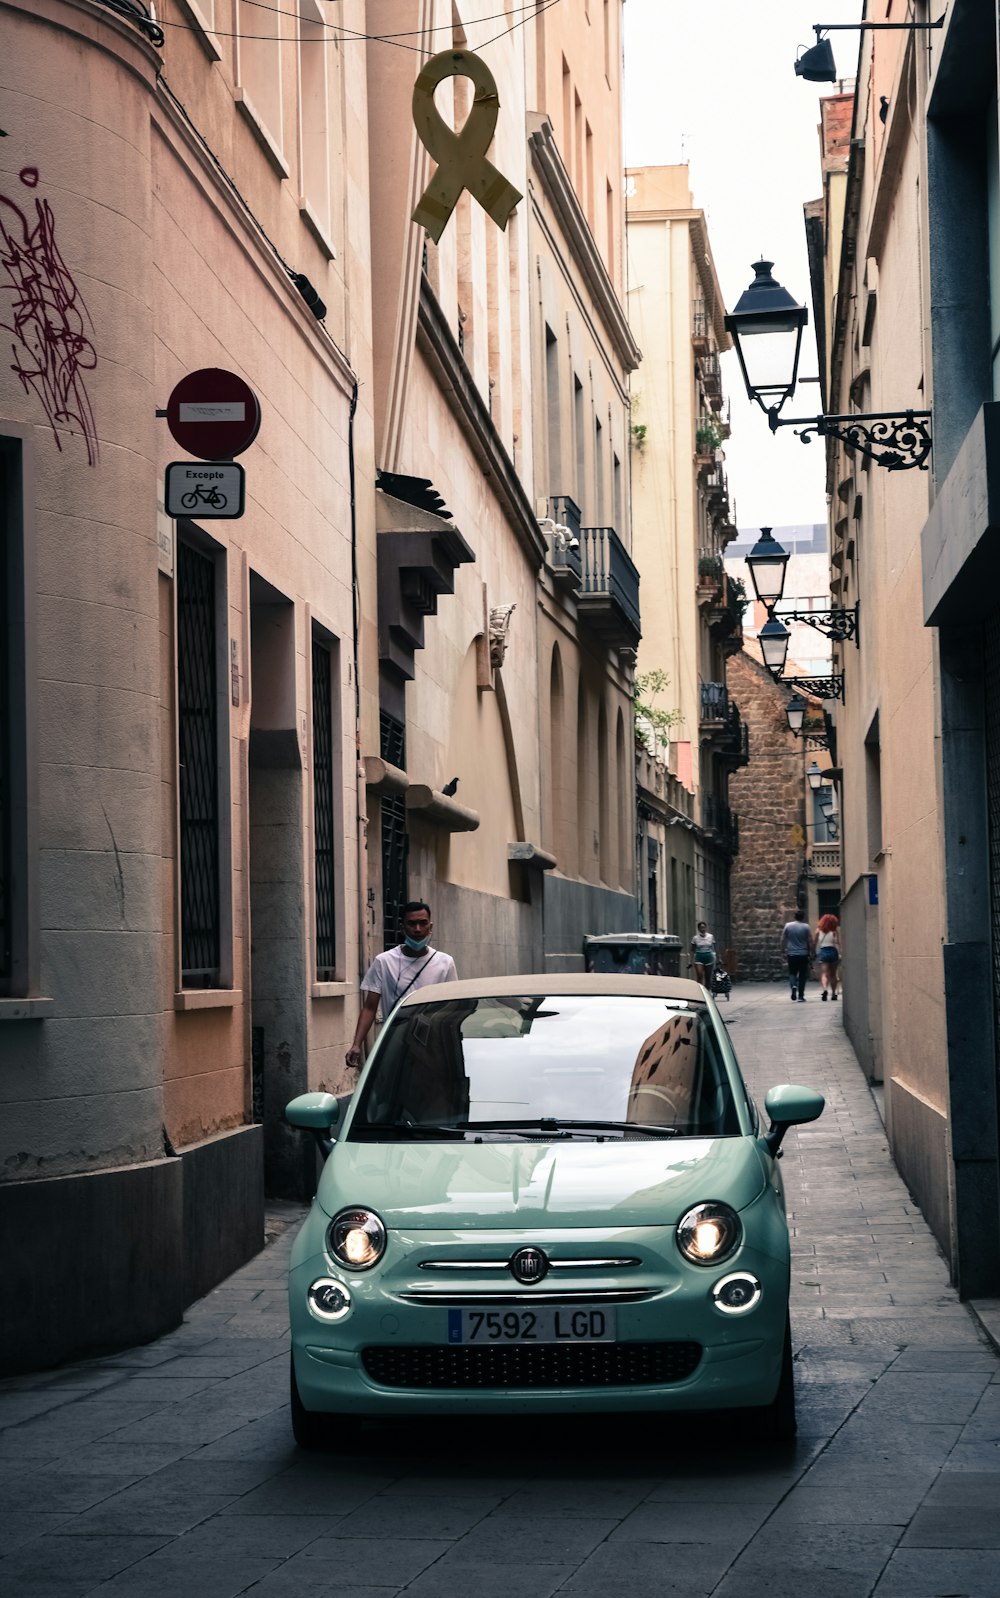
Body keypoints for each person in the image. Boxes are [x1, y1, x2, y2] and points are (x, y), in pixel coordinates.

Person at [345, 901, 457, 1070]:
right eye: (412, 924)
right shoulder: (384, 961)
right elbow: (370, 1007)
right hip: (395, 1043)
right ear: (402, 927)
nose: (418, 929)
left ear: (430, 926)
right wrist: (356, 1044)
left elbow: (452, 1007)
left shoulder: (445, 962)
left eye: (423, 923)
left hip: (433, 1045)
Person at [780, 906, 814, 1001]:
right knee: (802, 975)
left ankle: (794, 986)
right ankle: (801, 996)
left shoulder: (788, 926)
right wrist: (812, 952)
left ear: (795, 917)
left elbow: (783, 939)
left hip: (791, 954)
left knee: (792, 973)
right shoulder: (806, 927)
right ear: (803, 917)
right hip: (803, 954)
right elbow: (810, 941)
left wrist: (782, 950)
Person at [814, 913, 842, 1001]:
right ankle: (833, 994)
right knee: (833, 974)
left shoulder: (818, 930)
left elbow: (814, 943)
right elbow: (837, 943)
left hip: (823, 951)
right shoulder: (834, 931)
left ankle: (825, 990)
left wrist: (813, 952)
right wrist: (840, 953)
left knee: (824, 974)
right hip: (833, 951)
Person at [689, 921, 717, 992]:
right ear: (698, 929)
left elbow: (714, 948)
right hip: (699, 957)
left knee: (708, 976)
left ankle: (707, 992)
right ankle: (700, 991)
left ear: (706, 928)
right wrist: (690, 961)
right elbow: (692, 950)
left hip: (709, 957)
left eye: (704, 927)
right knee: (700, 974)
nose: (703, 929)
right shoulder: (695, 938)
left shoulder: (710, 937)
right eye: (701, 928)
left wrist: (717, 958)